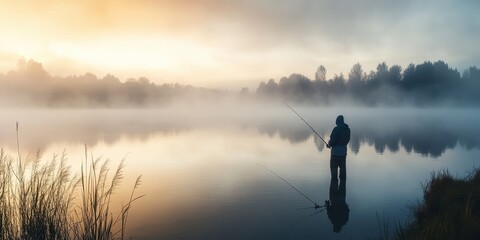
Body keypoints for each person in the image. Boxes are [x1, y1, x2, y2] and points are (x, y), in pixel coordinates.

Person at [326, 115, 350, 181]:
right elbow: (347, 140)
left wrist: (329, 145)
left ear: (337, 121)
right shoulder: (347, 129)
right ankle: (342, 188)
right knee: (343, 171)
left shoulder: (336, 129)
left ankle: (334, 186)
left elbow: (332, 140)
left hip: (335, 153)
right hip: (343, 153)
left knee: (334, 173)